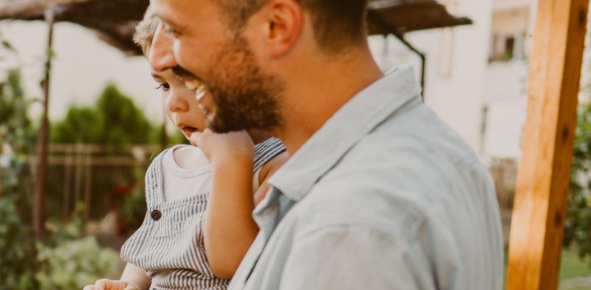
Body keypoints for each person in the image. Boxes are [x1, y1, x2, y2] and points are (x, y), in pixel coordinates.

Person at [145, 0, 504, 289]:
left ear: (277, 27)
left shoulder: (347, 231)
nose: (163, 57)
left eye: (177, 30)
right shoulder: (438, 150)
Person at [85, 16, 290, 290]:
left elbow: (232, 262)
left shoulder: (271, 164)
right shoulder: (165, 168)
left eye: (192, 82)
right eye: (164, 85)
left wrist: (230, 160)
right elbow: (151, 247)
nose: (173, 103)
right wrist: (130, 285)